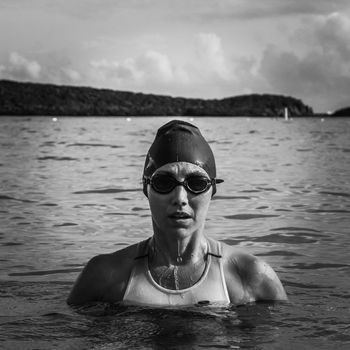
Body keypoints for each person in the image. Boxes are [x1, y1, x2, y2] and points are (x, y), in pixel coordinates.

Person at [67, 120, 287, 306]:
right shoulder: (104, 276)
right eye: (164, 182)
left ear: (213, 190)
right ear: (146, 189)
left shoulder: (250, 277)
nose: (180, 198)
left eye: (197, 183)